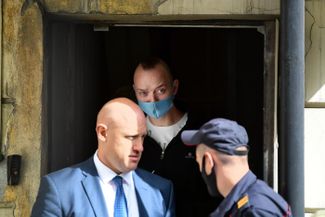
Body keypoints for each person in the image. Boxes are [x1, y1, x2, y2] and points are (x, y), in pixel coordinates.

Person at [31, 97, 175, 217]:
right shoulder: (60, 189)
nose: (140, 147)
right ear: (103, 133)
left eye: (142, 137)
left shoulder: (160, 191)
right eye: (131, 137)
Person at [133, 57, 218, 217]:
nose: (152, 100)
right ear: (135, 91)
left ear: (174, 87)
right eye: (143, 93)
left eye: (160, 90)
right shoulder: (131, 135)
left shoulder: (202, 133)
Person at [181, 118, 293, 217]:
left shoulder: (254, 210)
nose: (200, 169)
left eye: (199, 161)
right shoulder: (250, 201)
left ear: (209, 162)